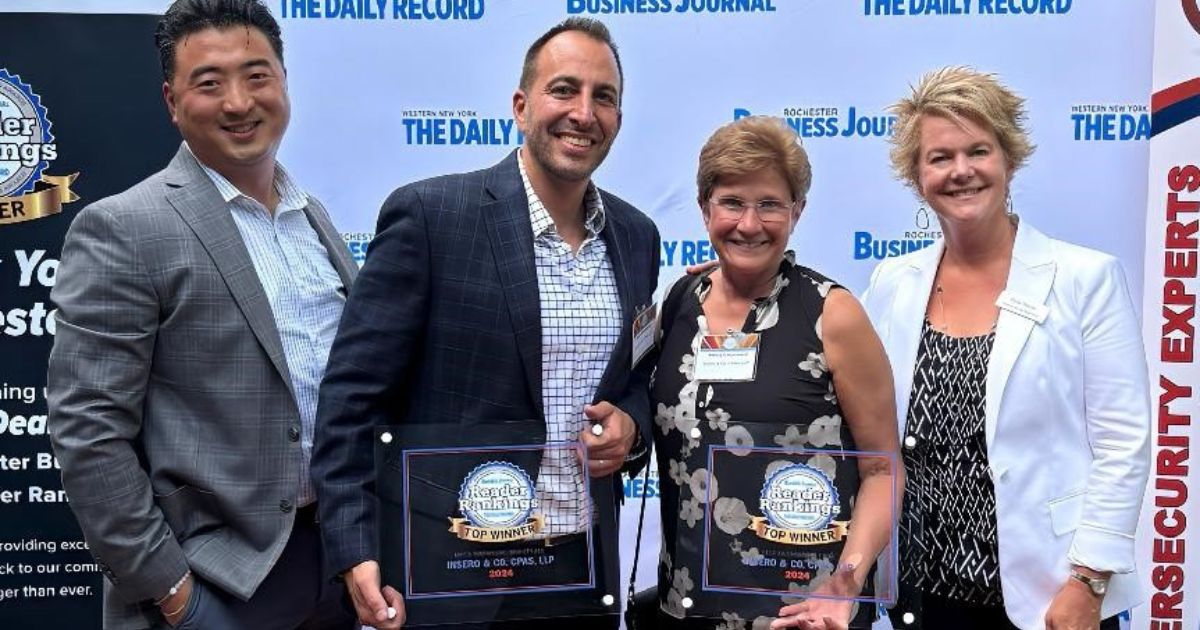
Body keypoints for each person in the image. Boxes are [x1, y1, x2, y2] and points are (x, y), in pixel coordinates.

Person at [310, 17, 660, 630]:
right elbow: (351, 397)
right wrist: (354, 544)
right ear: (522, 107)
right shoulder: (432, 216)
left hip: (581, 567)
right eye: (564, 90)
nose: (583, 112)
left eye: (603, 97)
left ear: (619, 121)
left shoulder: (635, 237)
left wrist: (632, 420)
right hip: (451, 568)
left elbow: (633, 376)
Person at [46, 1, 358, 628]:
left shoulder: (313, 217)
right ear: (172, 100)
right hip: (217, 583)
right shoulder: (125, 228)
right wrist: (174, 594)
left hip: (334, 569)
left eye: (257, 75)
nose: (239, 102)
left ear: (284, 82)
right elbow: (88, 430)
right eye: (209, 83)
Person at [862, 66, 1151, 630]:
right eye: (940, 157)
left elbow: (1125, 443)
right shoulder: (892, 282)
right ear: (916, 176)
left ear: (1009, 160)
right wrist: (739, 285)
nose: (961, 171)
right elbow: (857, 405)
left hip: (1052, 599)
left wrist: (1089, 582)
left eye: (979, 151)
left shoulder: (1084, 277)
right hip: (922, 598)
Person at [651, 116, 901, 630]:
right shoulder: (679, 303)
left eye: (769, 204)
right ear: (704, 210)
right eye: (732, 203)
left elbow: (883, 469)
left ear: (797, 211)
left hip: (801, 617)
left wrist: (847, 583)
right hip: (685, 611)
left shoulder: (832, 313)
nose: (749, 223)